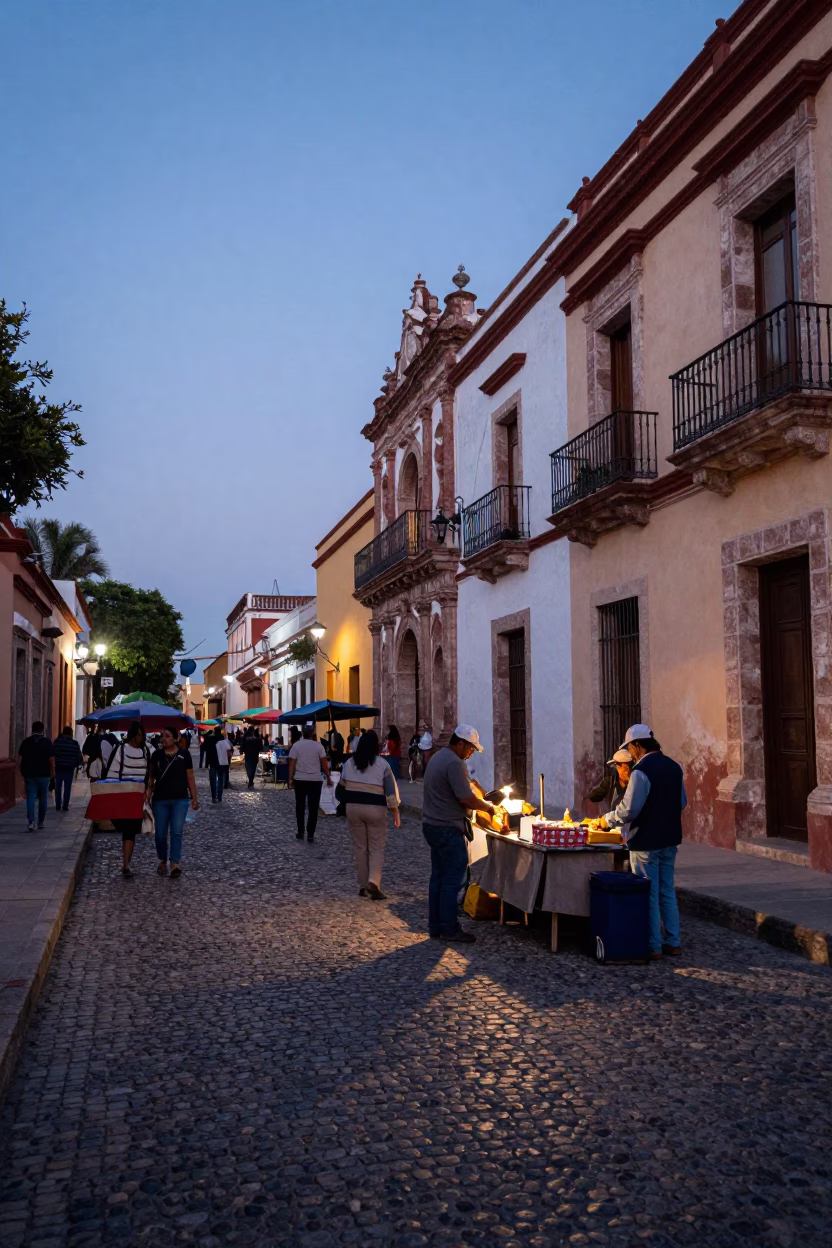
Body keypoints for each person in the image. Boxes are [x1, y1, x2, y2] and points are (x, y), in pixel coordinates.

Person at [600, 724, 687, 960]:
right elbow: (681, 802)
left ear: (637, 745)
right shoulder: (674, 766)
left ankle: (654, 945)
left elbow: (629, 810)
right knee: (667, 891)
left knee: (649, 892)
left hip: (646, 840)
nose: (630, 753)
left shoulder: (641, 771)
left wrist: (607, 820)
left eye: (630, 747)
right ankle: (673, 942)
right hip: (670, 838)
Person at [421, 724, 498, 944]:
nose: (471, 752)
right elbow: (466, 798)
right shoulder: (455, 763)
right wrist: (488, 807)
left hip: (432, 825)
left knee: (438, 877)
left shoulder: (438, 757)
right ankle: (449, 928)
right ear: (461, 743)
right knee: (453, 879)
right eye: (471, 748)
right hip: (447, 827)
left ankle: (435, 926)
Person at [337, 729, 400, 900]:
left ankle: (363, 886)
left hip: (353, 809)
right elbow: (390, 793)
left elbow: (340, 789)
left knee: (360, 848)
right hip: (375, 810)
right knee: (376, 847)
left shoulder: (350, 763)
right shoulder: (382, 765)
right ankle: (373, 882)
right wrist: (395, 813)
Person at [147, 726, 199, 878]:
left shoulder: (184, 755)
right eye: (163, 736)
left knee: (176, 832)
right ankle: (162, 859)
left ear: (176, 738)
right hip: (160, 800)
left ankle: (174, 863)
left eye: (167, 736)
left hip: (180, 799)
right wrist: (148, 793)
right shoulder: (156, 755)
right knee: (160, 834)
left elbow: (190, 777)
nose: (164, 739)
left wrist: (195, 798)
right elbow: (151, 777)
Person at [103, 720, 150, 878]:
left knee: (131, 832)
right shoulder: (121, 750)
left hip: (138, 798)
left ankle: (126, 864)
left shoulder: (147, 751)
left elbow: (150, 774)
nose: (141, 738)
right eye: (140, 735)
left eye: (142, 735)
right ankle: (126, 864)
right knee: (127, 829)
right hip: (123, 796)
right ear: (134, 735)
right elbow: (112, 773)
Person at [288, 723, 332, 842]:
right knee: (313, 807)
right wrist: (328, 777)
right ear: (313, 733)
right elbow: (324, 764)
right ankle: (311, 833)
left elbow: (292, 764)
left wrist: (290, 778)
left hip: (300, 779)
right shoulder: (319, 747)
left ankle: (301, 831)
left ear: (302, 733)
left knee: (300, 806)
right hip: (315, 780)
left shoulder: (296, 746)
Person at [17, 721, 55, 832]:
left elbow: (19, 759)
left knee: (31, 797)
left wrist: (18, 772)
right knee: (43, 798)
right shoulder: (47, 742)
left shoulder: (26, 742)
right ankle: (41, 822)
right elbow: (51, 760)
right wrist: (52, 773)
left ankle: (31, 821)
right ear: (42, 730)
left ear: (32, 730)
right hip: (44, 775)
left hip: (30, 775)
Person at [52, 726, 83, 811]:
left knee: (58, 786)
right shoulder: (74, 743)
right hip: (69, 768)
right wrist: (75, 765)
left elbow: (52, 753)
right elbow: (79, 757)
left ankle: (58, 804)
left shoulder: (57, 742)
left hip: (59, 767)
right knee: (67, 787)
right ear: (71, 733)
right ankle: (65, 805)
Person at [204, 729, 223, 803]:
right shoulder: (222, 739)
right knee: (220, 780)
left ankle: (214, 797)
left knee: (213, 780)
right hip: (221, 761)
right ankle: (220, 796)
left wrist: (206, 763)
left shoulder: (210, 738)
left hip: (212, 761)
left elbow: (205, 748)